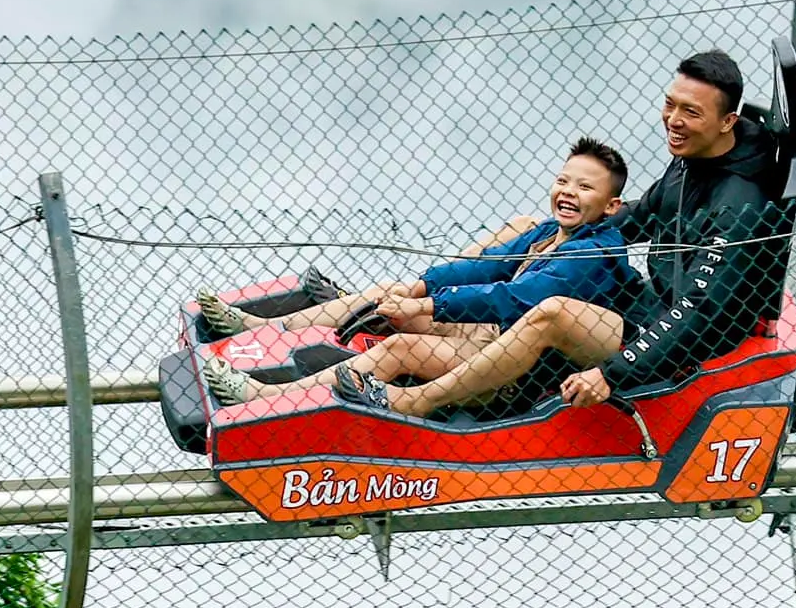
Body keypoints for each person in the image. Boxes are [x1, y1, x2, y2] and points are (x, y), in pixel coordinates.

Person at [270, 49, 786, 418]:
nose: (672, 120)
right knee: (529, 233)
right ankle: (377, 309)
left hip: (690, 346)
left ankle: (417, 399)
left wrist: (612, 375)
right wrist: (559, 236)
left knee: (552, 310)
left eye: (690, 112)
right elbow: (635, 216)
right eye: (670, 103)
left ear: (728, 122)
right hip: (652, 307)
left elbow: (696, 317)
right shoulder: (691, 159)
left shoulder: (738, 207)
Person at [199, 139, 633, 407]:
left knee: (401, 347)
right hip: (490, 336)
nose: (568, 193)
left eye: (585, 187)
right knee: (391, 298)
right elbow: (481, 267)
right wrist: (418, 287)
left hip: (509, 373)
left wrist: (427, 304)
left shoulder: (593, 251)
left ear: (611, 206)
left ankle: (268, 397)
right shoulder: (546, 232)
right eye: (564, 181)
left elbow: (515, 297)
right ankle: (263, 327)